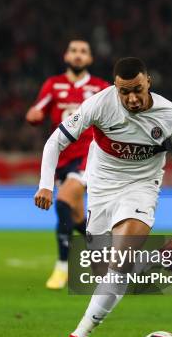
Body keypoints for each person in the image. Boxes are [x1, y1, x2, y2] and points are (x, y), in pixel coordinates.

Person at [34, 57, 172, 337]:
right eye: (124, 92)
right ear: (115, 88)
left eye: (137, 89)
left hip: (141, 187)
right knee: (102, 273)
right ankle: (161, 258)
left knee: (118, 265)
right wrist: (45, 186)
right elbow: (55, 142)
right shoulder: (99, 104)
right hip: (102, 187)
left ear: (148, 81)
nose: (131, 98)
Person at [26, 40, 110, 289]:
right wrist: (34, 115)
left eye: (83, 51)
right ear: (66, 55)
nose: (78, 55)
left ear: (90, 59)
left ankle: (63, 267)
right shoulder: (53, 85)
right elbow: (37, 110)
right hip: (61, 159)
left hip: (88, 157)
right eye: (74, 50)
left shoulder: (100, 88)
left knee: (62, 201)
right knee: (76, 219)